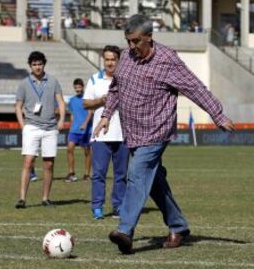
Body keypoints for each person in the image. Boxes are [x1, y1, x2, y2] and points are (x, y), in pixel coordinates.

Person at [93, 14, 235, 254]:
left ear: (149, 36)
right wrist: (106, 114)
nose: (130, 46)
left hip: (157, 130)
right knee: (155, 182)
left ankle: (125, 231)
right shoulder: (126, 57)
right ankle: (178, 226)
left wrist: (217, 114)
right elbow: (115, 87)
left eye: (136, 41)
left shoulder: (168, 59)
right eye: (128, 41)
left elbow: (194, 87)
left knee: (136, 173)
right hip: (133, 132)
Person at [83, 45, 129, 219]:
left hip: (123, 134)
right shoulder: (95, 79)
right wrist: (102, 101)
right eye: (107, 59)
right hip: (100, 135)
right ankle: (97, 207)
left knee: (121, 175)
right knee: (99, 174)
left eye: (113, 59)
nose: (110, 63)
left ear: (119, 60)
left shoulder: (126, 80)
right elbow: (86, 104)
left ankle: (118, 206)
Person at [15, 51, 65, 209]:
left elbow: (61, 102)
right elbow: (18, 106)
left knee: (49, 164)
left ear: (44, 64)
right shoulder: (24, 83)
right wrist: (23, 125)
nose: (37, 67)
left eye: (40, 64)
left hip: (50, 127)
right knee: (28, 162)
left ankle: (45, 198)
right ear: (30, 66)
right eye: (34, 64)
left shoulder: (53, 81)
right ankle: (22, 198)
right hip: (31, 126)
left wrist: (62, 119)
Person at [66, 78, 93, 182]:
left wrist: (85, 124)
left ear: (83, 87)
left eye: (79, 87)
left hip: (86, 130)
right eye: (76, 87)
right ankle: (71, 173)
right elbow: (72, 115)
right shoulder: (72, 100)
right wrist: (71, 126)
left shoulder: (88, 99)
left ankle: (86, 174)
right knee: (69, 149)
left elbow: (90, 113)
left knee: (87, 152)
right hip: (74, 130)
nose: (78, 89)